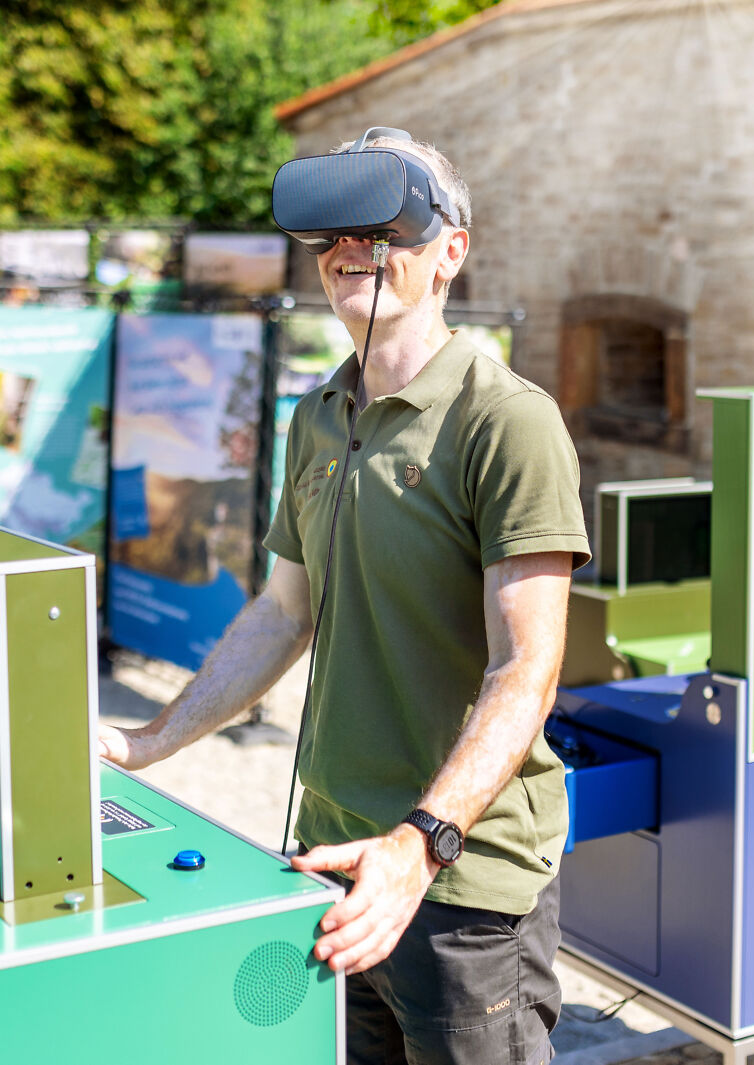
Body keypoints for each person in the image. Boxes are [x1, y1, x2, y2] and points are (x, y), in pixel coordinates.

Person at [98, 132, 590, 1065]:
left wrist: (420, 842)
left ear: (452, 251)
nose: (351, 250)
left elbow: (528, 666)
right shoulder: (317, 415)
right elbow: (286, 610)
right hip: (327, 859)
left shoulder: (507, 420)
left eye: (385, 227)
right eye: (330, 237)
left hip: (462, 889)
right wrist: (148, 740)